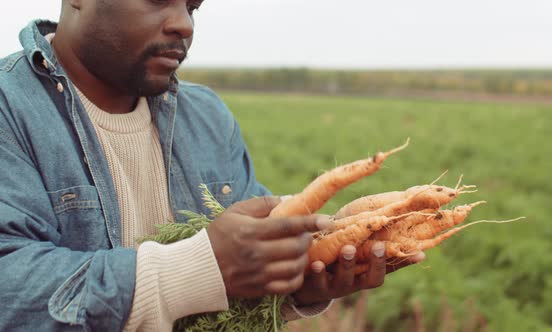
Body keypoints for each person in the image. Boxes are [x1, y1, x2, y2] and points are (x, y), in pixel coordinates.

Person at [0, 1, 425, 331]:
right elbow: (10, 289)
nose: (184, 24)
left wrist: (294, 284)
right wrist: (198, 266)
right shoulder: (9, 108)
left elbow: (239, 276)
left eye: (192, 7)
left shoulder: (206, 116)